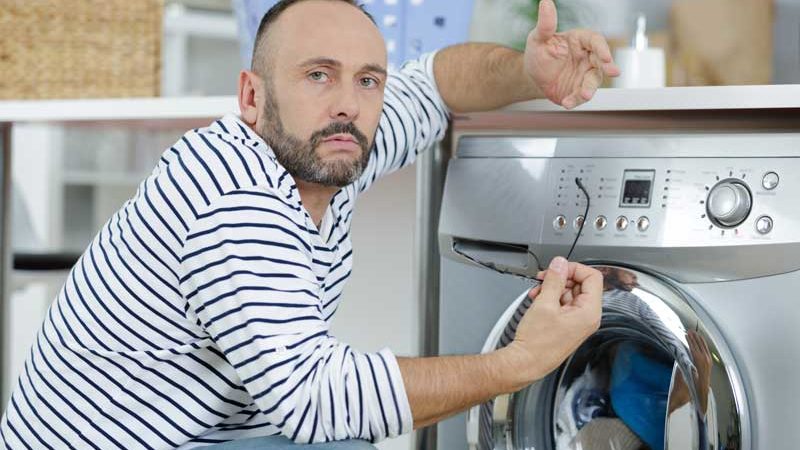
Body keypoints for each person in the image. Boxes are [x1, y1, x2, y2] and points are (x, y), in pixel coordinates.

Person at [0, 0, 617, 448]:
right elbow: (312, 399)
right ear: (251, 96)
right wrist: (520, 362)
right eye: (318, 74)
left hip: (200, 433)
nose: (348, 101)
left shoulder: (332, 141)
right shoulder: (235, 195)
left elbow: (434, 84)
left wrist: (528, 73)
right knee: (339, 433)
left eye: (367, 79)